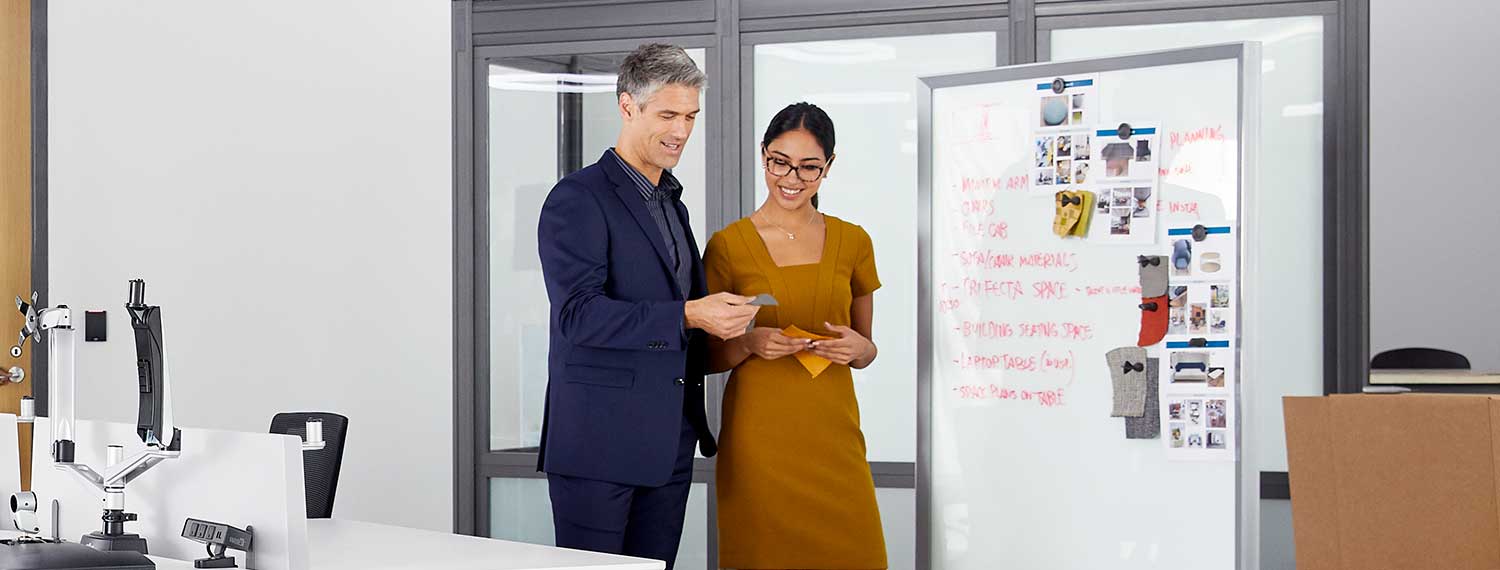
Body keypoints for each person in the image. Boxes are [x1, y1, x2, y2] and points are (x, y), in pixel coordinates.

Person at [535, 43, 758, 569]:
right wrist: (689, 314)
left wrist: (734, 330)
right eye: (668, 115)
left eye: (690, 116)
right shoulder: (577, 198)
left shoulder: (671, 205)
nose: (682, 130)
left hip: (668, 447)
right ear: (627, 107)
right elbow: (577, 315)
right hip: (597, 451)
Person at [703, 102, 888, 569]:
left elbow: (866, 348)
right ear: (763, 155)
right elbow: (705, 355)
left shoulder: (853, 241)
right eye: (779, 162)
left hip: (833, 433)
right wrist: (749, 343)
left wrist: (859, 348)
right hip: (760, 438)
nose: (792, 178)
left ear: (829, 166)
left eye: (810, 167)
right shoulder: (729, 245)